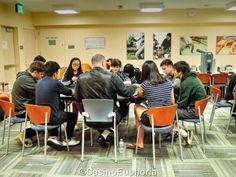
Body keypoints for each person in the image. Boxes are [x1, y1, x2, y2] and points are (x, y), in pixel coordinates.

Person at [74, 54, 136, 148]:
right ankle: (105, 134)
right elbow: (126, 93)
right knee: (124, 107)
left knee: (105, 114)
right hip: (109, 118)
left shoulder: (81, 78)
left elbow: (76, 99)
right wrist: (134, 87)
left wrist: (82, 113)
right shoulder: (112, 76)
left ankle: (105, 135)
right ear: (104, 63)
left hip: (89, 119)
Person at [127, 60, 174, 149]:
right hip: (168, 118)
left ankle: (140, 142)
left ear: (144, 72)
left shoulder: (145, 84)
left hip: (153, 119)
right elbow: (172, 102)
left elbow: (140, 95)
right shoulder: (169, 82)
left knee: (136, 106)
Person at [36, 61, 80, 150]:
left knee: (59, 107)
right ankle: (68, 140)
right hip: (51, 118)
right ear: (55, 72)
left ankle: (53, 137)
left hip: (39, 117)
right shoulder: (55, 82)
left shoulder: (39, 82)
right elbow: (69, 92)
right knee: (72, 116)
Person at [12, 61, 45, 147]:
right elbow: (41, 92)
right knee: (47, 115)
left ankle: (40, 133)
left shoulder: (25, 77)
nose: (41, 77)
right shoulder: (26, 79)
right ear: (35, 72)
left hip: (23, 106)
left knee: (47, 110)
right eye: (41, 74)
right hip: (22, 110)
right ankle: (25, 134)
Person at [173, 61, 206, 147]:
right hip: (197, 110)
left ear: (180, 72)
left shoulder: (186, 83)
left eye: (174, 70)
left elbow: (182, 103)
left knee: (168, 113)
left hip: (192, 112)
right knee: (171, 110)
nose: (173, 72)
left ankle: (185, 134)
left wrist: (170, 105)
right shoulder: (192, 78)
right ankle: (175, 131)